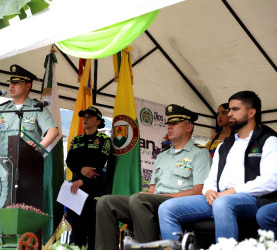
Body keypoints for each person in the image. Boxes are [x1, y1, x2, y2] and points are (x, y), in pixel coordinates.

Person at [158, 91, 277, 242]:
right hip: (218, 197)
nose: (230, 114)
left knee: (222, 203)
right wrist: (208, 191)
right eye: (229, 110)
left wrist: (232, 191)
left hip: (253, 199)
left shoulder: (268, 140)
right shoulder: (224, 145)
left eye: (235, 109)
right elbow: (211, 178)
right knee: (167, 208)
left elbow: (271, 180)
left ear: (251, 112)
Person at [95, 104, 211, 250]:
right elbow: (152, 190)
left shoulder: (199, 154)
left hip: (179, 203)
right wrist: (146, 194)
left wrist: (153, 196)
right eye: (168, 124)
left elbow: (199, 191)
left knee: (139, 200)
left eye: (174, 124)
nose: (169, 127)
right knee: (105, 202)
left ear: (189, 127)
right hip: (151, 202)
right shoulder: (162, 156)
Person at [0, 64, 59, 151]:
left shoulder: (37, 108)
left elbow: (53, 131)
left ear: (28, 86)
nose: (11, 86)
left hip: (28, 160)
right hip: (3, 161)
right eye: (10, 83)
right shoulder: (2, 109)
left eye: (16, 83)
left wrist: (39, 148)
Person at [65, 106, 112, 250]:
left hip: (95, 190)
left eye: (89, 116)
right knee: (76, 231)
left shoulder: (104, 139)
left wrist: (83, 180)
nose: (85, 119)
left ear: (98, 121)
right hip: (75, 190)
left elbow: (99, 163)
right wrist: (81, 169)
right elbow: (69, 161)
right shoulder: (77, 139)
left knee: (93, 231)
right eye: (83, 116)